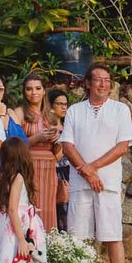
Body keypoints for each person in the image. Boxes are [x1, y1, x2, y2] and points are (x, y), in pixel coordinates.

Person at [60, 65, 132, 263]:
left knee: (112, 235)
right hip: (80, 183)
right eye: (98, 80)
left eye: (107, 80)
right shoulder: (75, 110)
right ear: (88, 83)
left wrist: (91, 168)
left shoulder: (119, 110)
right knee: (77, 236)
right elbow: (67, 145)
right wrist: (86, 171)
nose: (103, 84)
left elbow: (122, 146)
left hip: (108, 183)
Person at [0, 137, 47, 263]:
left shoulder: (4, 176)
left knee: (3, 255)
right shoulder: (18, 178)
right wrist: (22, 240)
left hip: (2, 221)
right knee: (11, 254)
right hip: (14, 223)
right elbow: (12, 209)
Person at [11, 72, 59, 231]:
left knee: (48, 207)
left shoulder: (51, 115)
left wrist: (57, 140)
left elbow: (59, 152)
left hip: (49, 166)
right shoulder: (20, 112)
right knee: (30, 204)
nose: (34, 93)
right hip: (29, 164)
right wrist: (37, 137)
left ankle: (49, 245)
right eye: (29, 89)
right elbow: (14, 144)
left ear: (44, 90)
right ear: (24, 92)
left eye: (38, 88)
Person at [49, 88, 71, 232]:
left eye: (65, 104)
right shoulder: (48, 128)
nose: (64, 107)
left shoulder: (68, 127)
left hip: (68, 170)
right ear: (51, 106)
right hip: (54, 171)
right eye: (59, 104)